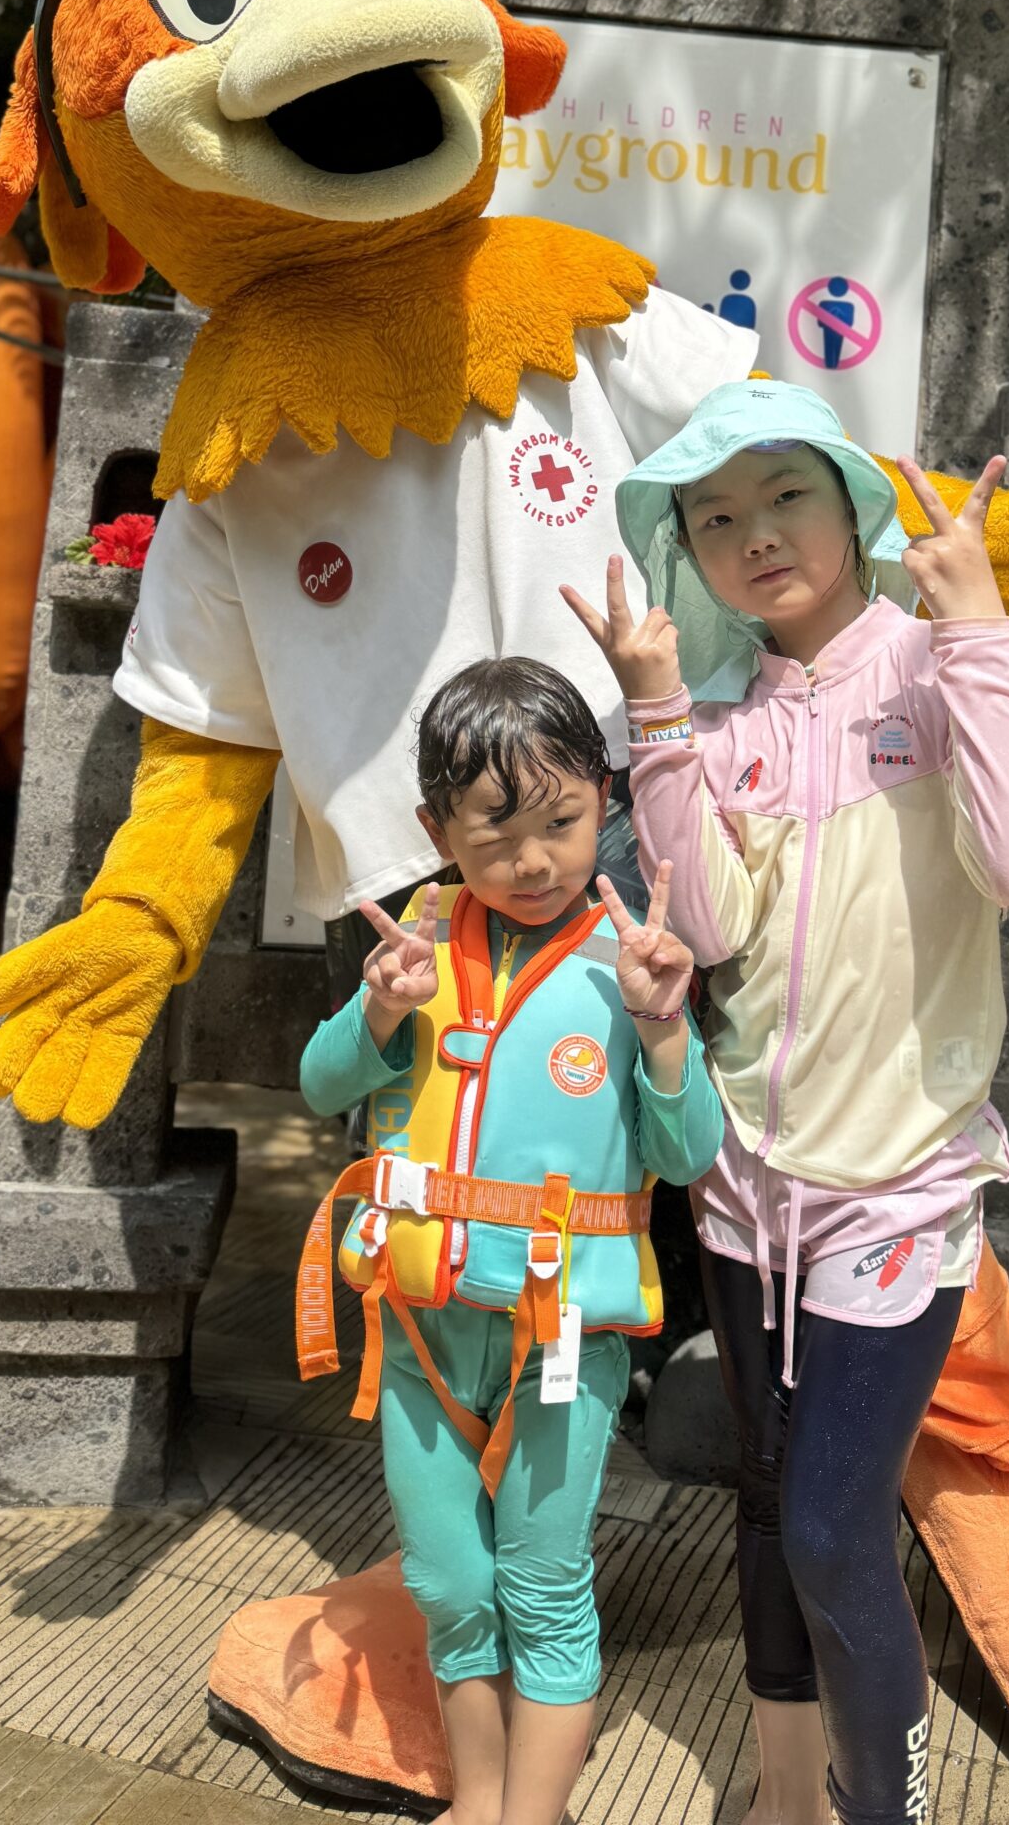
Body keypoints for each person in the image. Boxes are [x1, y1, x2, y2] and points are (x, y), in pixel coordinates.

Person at [564, 380, 1009, 1825]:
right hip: (743, 1188)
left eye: (786, 493)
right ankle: (787, 1795)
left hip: (899, 1189)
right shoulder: (721, 718)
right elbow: (708, 924)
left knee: (839, 1526)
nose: (756, 534)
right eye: (714, 517)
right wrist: (659, 714)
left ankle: (883, 1807)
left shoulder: (934, 663)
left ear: (851, 503)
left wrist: (977, 627)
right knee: (771, 1503)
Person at [295, 656, 725, 1825]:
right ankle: (476, 1804)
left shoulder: (631, 963)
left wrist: (665, 1027)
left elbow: (689, 1150)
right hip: (421, 1334)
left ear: (604, 800)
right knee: (448, 1582)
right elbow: (321, 1081)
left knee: (541, 1580)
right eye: (496, 830)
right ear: (436, 829)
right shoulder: (419, 944)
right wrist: (381, 1006)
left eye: (563, 822)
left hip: (559, 1338)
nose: (535, 860)